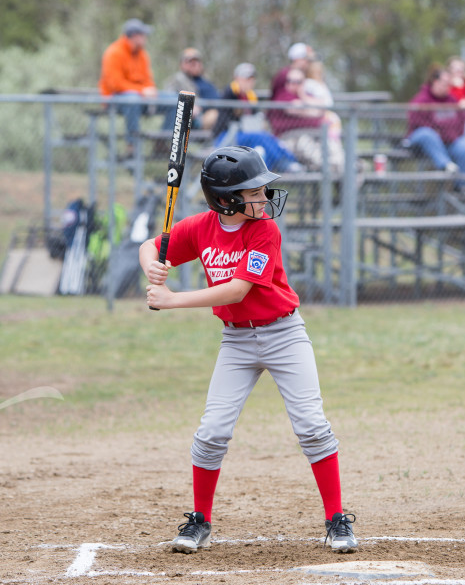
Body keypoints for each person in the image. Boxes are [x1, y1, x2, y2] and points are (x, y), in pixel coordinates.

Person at [139, 145, 357, 555]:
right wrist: (151, 265)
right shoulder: (201, 227)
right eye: (253, 192)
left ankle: (336, 519)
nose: (264, 198)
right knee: (212, 431)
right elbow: (151, 247)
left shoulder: (264, 231)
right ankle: (200, 520)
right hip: (237, 340)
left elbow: (238, 290)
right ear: (225, 200)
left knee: (311, 425)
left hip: (284, 334)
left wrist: (172, 298)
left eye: (262, 190)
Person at [212, 62, 303, 173]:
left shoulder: (251, 96)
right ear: (237, 78)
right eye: (246, 79)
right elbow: (226, 122)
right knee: (261, 136)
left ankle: (289, 162)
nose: (249, 83)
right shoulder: (230, 93)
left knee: (268, 139)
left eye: (251, 79)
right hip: (227, 137)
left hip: (248, 135)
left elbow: (255, 119)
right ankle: (284, 164)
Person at [269, 68, 345, 174]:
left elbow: (323, 107)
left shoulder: (305, 96)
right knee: (306, 144)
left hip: (314, 135)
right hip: (291, 139)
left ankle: (344, 168)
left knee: (332, 144)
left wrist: (304, 97)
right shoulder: (282, 96)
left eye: (300, 81)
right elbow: (297, 109)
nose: (297, 85)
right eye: (292, 81)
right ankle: (333, 169)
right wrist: (313, 110)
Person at [98, 18, 159, 144]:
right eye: (143, 35)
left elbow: (148, 80)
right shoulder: (114, 52)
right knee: (132, 99)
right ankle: (132, 146)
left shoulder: (142, 55)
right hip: (115, 99)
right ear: (135, 36)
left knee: (174, 100)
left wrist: (151, 90)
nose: (146, 38)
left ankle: (162, 144)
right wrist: (142, 91)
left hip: (139, 97)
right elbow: (115, 84)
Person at [402, 66, 465, 174]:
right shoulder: (422, 100)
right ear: (435, 82)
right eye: (444, 83)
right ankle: (446, 165)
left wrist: (448, 134)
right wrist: (439, 130)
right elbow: (416, 121)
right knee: (428, 134)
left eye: (449, 84)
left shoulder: (452, 100)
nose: (447, 87)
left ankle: (462, 186)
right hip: (422, 141)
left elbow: (461, 121)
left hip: (448, 142)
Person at [163, 47, 220, 132]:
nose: (194, 64)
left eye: (197, 61)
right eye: (190, 62)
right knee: (214, 115)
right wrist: (188, 106)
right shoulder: (177, 80)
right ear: (182, 64)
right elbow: (169, 99)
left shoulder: (206, 81)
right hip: (188, 120)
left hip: (210, 115)